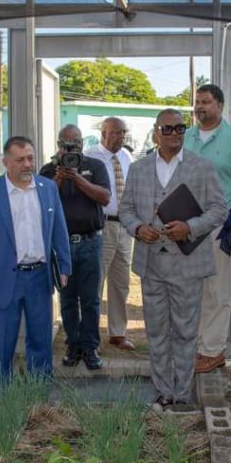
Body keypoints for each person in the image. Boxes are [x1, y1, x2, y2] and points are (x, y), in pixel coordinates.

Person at [119, 109, 227, 408]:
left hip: (187, 265)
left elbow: (219, 209)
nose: (175, 134)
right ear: (156, 132)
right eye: (167, 129)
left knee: (185, 331)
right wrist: (138, 228)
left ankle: (182, 394)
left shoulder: (201, 167)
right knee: (156, 330)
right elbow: (125, 209)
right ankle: (162, 391)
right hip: (152, 264)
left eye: (180, 128)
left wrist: (189, 227)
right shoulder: (138, 169)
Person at [0, 136, 71, 384]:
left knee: (41, 340)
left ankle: (38, 392)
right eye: (20, 160)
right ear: (6, 162)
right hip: (4, 278)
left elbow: (59, 230)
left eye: (30, 158)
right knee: (2, 342)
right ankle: (2, 393)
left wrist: (64, 266)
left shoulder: (48, 188)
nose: (27, 164)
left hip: (40, 277)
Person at [183, 83, 231, 373]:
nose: (199, 107)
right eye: (197, 102)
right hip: (186, 226)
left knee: (217, 291)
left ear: (220, 105)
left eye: (205, 101)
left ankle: (213, 351)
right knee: (193, 290)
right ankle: (196, 347)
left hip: (219, 225)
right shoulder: (186, 136)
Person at [40, 125, 111, 370]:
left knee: (91, 299)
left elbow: (105, 197)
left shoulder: (95, 166)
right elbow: (42, 202)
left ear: (83, 143)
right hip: (62, 246)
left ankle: (90, 347)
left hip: (91, 242)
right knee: (68, 299)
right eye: (67, 144)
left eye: (76, 143)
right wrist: (60, 177)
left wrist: (77, 178)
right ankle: (73, 345)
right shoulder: (49, 170)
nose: (72, 148)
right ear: (59, 145)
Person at [84, 116, 137, 351]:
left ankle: (118, 333)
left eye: (123, 132)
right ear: (103, 133)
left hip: (125, 227)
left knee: (121, 283)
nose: (120, 136)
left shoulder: (126, 157)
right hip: (101, 225)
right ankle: (90, 335)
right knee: (96, 281)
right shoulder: (90, 157)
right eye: (116, 132)